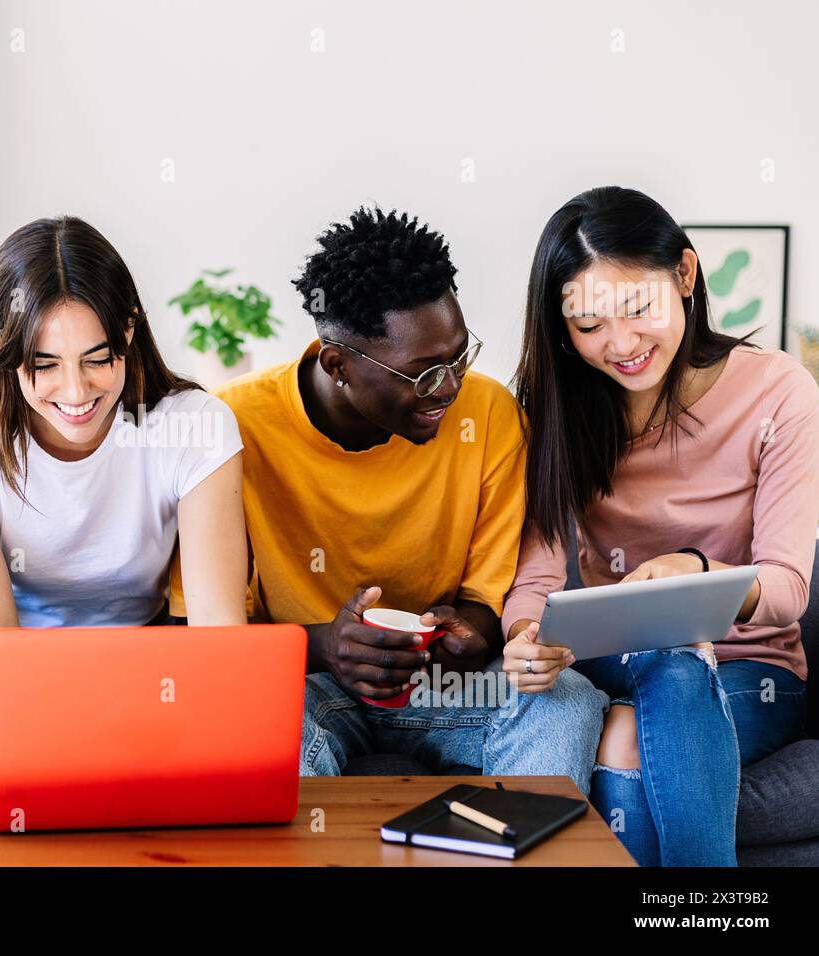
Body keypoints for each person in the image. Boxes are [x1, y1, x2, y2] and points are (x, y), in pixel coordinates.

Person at [171, 205, 607, 787]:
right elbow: (206, 635)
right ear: (338, 364)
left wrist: (470, 634)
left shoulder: (491, 414)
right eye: (424, 373)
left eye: (458, 357)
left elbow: (484, 599)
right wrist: (326, 646)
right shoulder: (230, 425)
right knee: (252, 727)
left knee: (567, 700)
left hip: (439, 686)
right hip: (302, 685)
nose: (450, 388)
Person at [502, 185, 819, 866]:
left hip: (746, 666)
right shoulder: (558, 406)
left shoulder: (782, 393)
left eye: (637, 308)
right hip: (611, 658)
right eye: (588, 327)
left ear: (685, 274)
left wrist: (697, 574)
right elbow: (537, 573)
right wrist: (524, 635)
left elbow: (789, 588)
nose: (620, 345)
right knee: (659, 667)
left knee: (655, 695)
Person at [0, 215, 247, 720]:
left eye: (96, 359)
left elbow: (219, 631)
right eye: (44, 364)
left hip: (151, 665)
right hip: (11, 672)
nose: (76, 392)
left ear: (127, 331)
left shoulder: (196, 425)